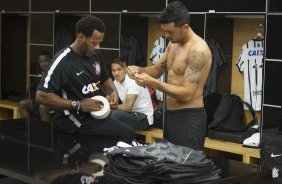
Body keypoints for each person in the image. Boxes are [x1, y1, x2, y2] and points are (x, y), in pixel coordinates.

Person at [127, 1, 212, 150]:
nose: (166, 36)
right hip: (170, 115)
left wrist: (153, 83)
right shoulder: (173, 43)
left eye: (170, 32)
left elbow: (187, 94)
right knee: (170, 165)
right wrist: (138, 69)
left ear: (185, 27)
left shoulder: (198, 51)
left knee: (186, 169)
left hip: (189, 117)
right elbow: (156, 70)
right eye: (165, 31)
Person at [36, 16, 135, 142]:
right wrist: (78, 105)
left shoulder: (95, 54)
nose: (98, 46)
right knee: (126, 133)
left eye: (100, 42)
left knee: (123, 131)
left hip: (95, 113)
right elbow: (41, 96)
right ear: (81, 37)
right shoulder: (62, 62)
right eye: (94, 42)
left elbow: (104, 78)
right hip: (73, 119)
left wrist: (113, 93)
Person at [110, 57, 154, 131]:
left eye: (119, 69)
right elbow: (109, 97)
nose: (116, 73)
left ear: (126, 69)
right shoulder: (116, 82)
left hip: (144, 118)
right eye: (113, 70)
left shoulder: (133, 80)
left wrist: (109, 107)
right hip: (131, 115)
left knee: (114, 115)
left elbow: (127, 107)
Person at [19, 51, 51, 120]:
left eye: (46, 61)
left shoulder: (55, 72)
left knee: (42, 107)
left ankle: (45, 130)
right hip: (39, 100)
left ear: (51, 61)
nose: (43, 64)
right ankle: (28, 128)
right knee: (22, 103)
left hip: (50, 100)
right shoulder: (41, 75)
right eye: (41, 61)